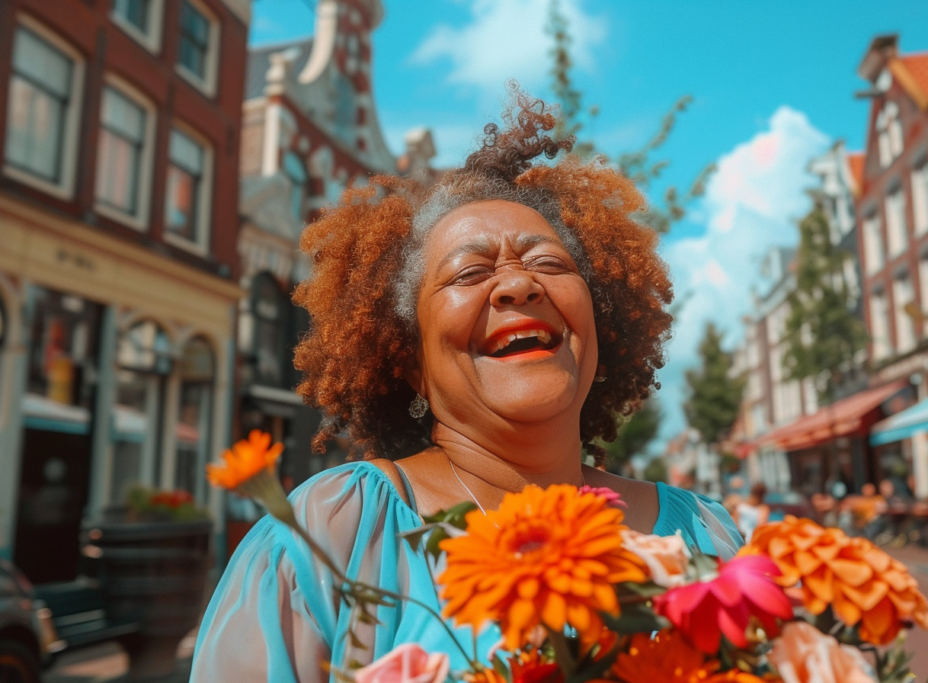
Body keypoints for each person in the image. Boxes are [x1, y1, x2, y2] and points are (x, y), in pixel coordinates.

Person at [190, 91, 742, 681]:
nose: (518, 286)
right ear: (408, 359)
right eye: (470, 273)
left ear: (599, 324)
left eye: (550, 263)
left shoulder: (706, 535)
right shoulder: (331, 534)